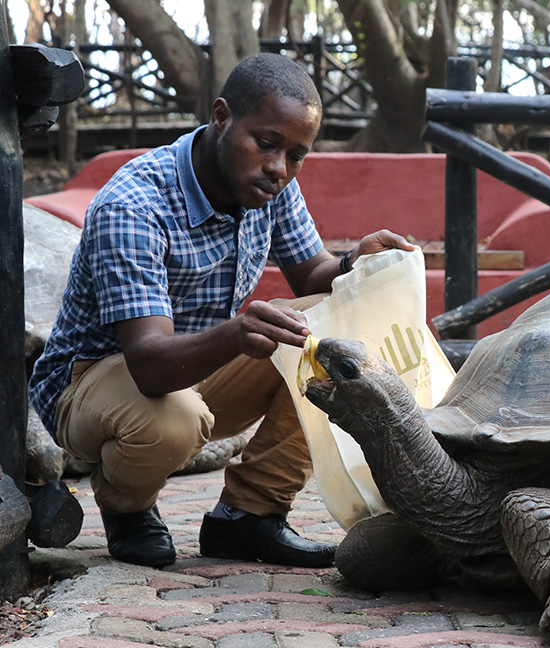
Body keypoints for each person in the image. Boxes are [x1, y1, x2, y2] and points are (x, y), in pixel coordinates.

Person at [28, 52, 416, 569]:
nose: (279, 167)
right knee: (173, 418)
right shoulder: (136, 205)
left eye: (297, 155)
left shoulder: (269, 184)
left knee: (334, 333)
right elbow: (148, 363)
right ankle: (128, 508)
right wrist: (236, 334)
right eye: (267, 143)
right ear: (220, 117)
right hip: (89, 385)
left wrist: (355, 262)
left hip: (192, 369)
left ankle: (249, 517)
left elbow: (314, 277)